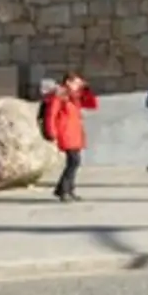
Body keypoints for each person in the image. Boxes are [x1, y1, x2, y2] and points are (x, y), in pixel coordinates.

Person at [42, 72, 98, 202]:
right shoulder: (60, 96)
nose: (79, 86)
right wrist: (51, 132)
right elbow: (51, 114)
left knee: (74, 162)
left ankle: (66, 189)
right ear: (68, 82)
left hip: (75, 133)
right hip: (65, 132)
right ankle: (64, 190)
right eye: (77, 83)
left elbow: (92, 105)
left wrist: (87, 91)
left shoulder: (74, 97)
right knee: (74, 161)